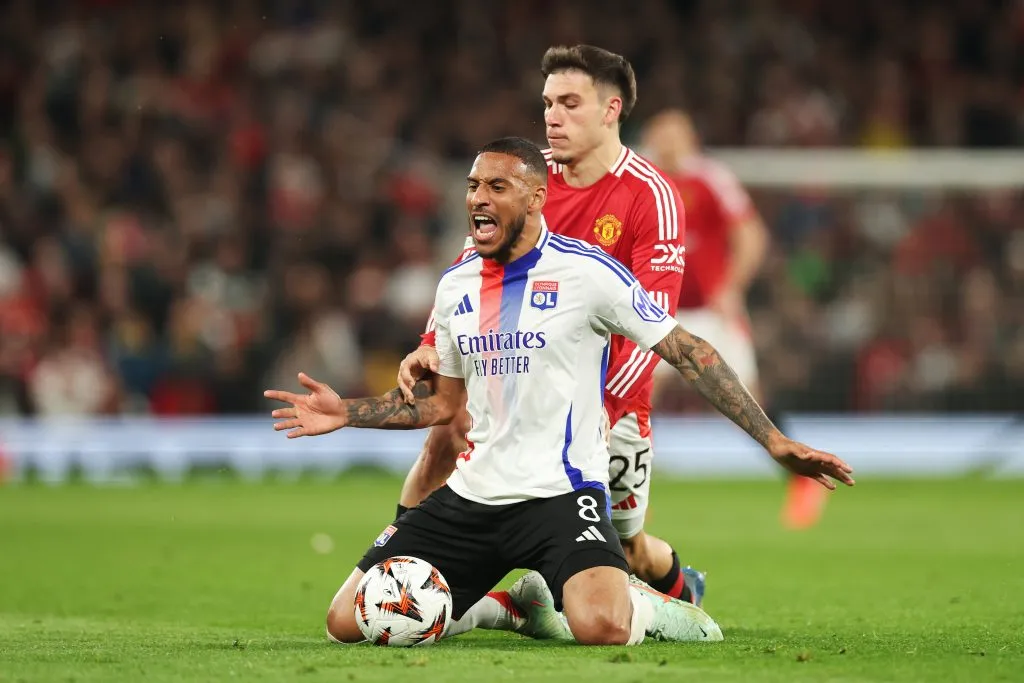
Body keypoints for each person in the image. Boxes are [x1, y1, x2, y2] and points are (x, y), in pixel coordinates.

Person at [264, 137, 854, 646]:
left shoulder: (587, 272)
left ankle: (658, 604)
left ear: (535, 197)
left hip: (561, 496)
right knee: (347, 620)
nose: (477, 199)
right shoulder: (456, 285)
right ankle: (510, 608)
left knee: (601, 626)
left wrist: (773, 440)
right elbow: (442, 404)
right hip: (474, 496)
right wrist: (347, 411)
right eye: (473, 186)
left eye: (496, 186)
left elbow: (687, 351)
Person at [397, 45, 698, 619]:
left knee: (629, 547)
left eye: (569, 103)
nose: (552, 117)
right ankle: (398, 570)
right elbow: (472, 264)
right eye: (546, 104)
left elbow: (654, 324)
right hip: (511, 376)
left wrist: (601, 408)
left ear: (611, 110)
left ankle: (681, 592)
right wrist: (432, 342)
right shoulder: (523, 176)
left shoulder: (650, 195)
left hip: (610, 403)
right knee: (444, 432)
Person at [640, 109, 828, 530]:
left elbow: (751, 234)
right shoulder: (641, 180)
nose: (667, 141)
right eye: (660, 133)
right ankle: (631, 498)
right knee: (634, 397)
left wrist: (731, 285)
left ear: (689, 138)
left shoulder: (710, 178)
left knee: (750, 398)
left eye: (675, 133)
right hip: (658, 311)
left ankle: (802, 479)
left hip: (710, 311)